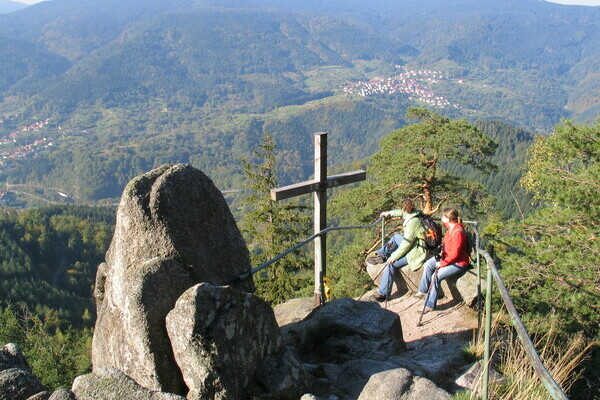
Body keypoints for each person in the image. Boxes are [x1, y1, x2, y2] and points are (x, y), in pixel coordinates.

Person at [370, 199, 427, 301]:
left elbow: (406, 244)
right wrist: (389, 213)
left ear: (405, 209)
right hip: (415, 244)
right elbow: (401, 212)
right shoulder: (415, 213)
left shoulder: (412, 223)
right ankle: (382, 254)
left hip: (415, 251)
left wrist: (394, 256)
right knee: (396, 237)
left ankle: (383, 293)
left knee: (391, 264)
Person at [415, 207, 470, 312]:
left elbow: (455, 253)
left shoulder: (458, 232)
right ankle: (423, 290)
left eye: (443, 216)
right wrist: (442, 253)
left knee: (436, 276)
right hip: (447, 257)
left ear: (448, 218)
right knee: (428, 265)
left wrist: (443, 263)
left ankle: (430, 304)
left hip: (458, 262)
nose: (441, 218)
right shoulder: (451, 229)